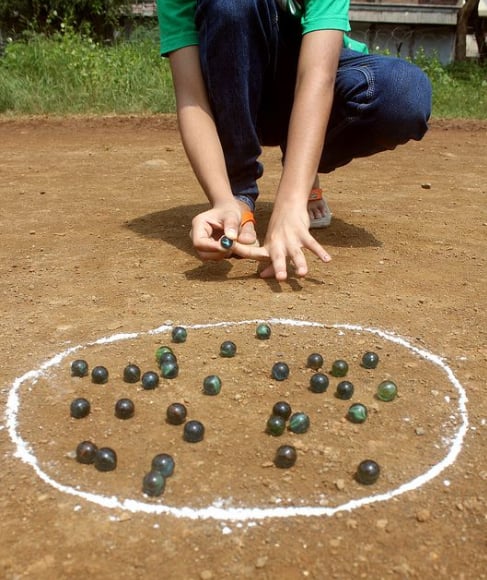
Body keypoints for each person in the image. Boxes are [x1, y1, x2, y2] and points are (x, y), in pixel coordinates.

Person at [156, 0, 432, 281]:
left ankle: (301, 167)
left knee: (403, 93)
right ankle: (238, 197)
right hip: (238, 92)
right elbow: (192, 97)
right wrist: (222, 198)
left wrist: (291, 201)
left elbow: (318, 75)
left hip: (315, 76)